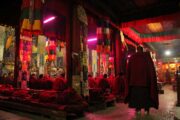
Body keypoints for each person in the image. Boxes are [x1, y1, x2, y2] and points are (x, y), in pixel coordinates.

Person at [125, 46, 159, 115]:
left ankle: (138, 110)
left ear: (137, 50)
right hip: (145, 83)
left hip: (134, 83)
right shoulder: (147, 57)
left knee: (137, 98)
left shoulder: (132, 57)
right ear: (142, 50)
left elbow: (128, 70)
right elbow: (151, 70)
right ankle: (147, 110)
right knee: (146, 98)